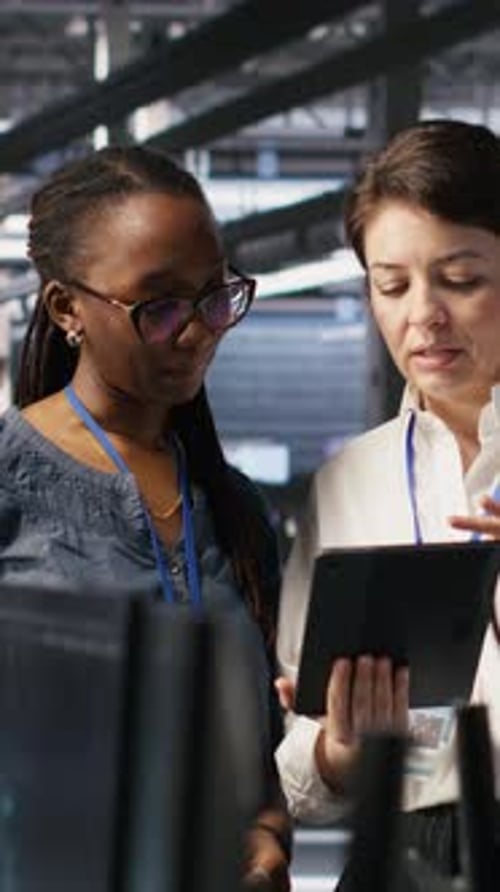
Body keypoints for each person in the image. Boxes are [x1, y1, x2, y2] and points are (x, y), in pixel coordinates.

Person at [0, 145, 291, 891]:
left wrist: (265, 836)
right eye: (158, 307)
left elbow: (261, 751)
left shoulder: (235, 510)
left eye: (214, 297)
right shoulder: (9, 483)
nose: (197, 332)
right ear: (67, 309)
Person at [275, 118, 500, 874]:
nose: (422, 315)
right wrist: (342, 749)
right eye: (392, 285)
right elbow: (300, 766)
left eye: (460, 279)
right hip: (408, 853)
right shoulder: (349, 482)